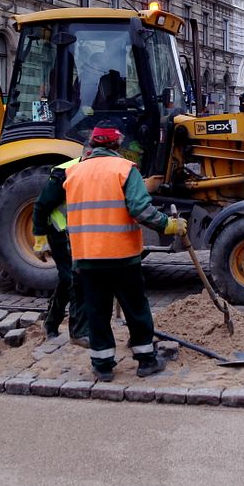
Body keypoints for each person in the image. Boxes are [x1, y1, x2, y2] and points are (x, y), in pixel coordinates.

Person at [61, 124, 187, 382]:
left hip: (87, 257)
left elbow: (71, 216)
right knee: (136, 309)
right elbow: (140, 209)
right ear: (116, 145)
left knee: (97, 311)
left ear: (93, 145)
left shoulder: (73, 173)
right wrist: (169, 225)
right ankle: (146, 361)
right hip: (121, 256)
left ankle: (103, 365)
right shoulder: (124, 169)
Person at [32, 156, 89, 346]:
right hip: (60, 232)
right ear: (87, 154)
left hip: (77, 232)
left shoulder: (93, 168)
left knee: (68, 279)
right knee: (73, 278)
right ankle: (78, 332)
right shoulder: (65, 172)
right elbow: (41, 205)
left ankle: (51, 322)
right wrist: (40, 240)